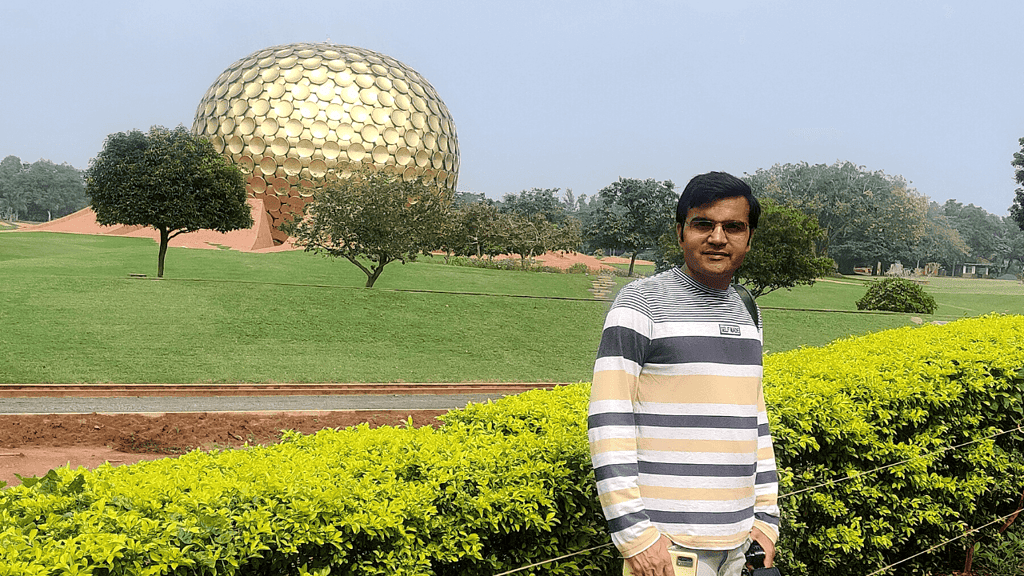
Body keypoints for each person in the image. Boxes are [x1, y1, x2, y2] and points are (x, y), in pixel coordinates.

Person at [588, 171, 780, 576]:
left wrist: (766, 519)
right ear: (680, 232)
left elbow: (754, 417)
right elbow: (609, 420)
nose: (717, 237)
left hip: (740, 546)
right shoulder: (640, 304)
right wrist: (636, 537)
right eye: (703, 224)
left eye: (733, 227)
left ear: (749, 238)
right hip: (669, 550)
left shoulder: (747, 309)